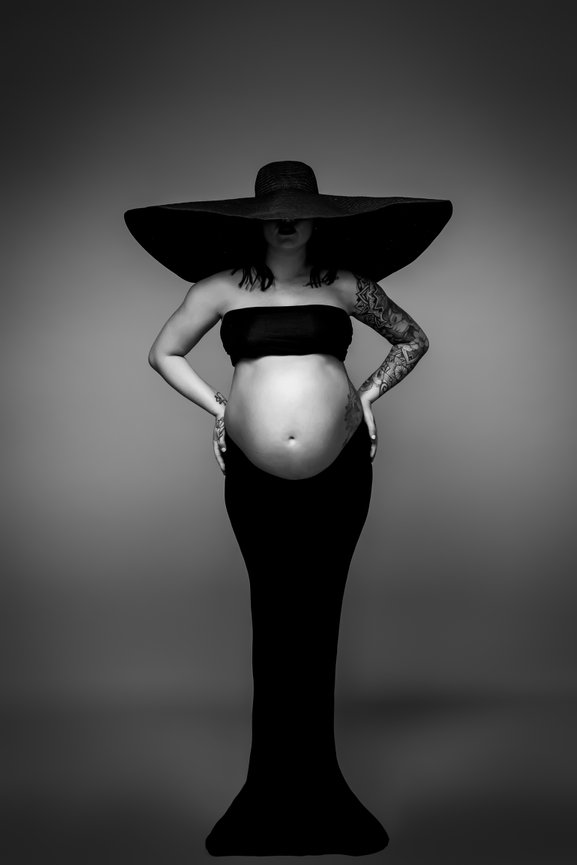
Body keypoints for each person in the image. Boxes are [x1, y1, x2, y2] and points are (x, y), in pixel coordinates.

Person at [124, 161, 452, 856]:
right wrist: (223, 407)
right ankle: (263, 800)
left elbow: (413, 338)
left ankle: (325, 798)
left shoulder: (344, 283)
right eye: (273, 212)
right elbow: (163, 353)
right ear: (255, 221)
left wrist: (364, 397)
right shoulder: (218, 288)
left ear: (318, 219)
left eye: (299, 210)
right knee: (273, 622)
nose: (286, 221)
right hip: (255, 476)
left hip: (341, 474)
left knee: (318, 619)